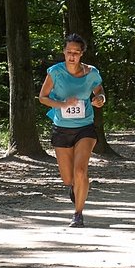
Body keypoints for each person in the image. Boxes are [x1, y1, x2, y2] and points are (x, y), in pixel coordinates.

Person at [38, 34, 106, 228]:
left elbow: (99, 91)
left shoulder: (91, 73)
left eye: (76, 52)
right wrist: (61, 104)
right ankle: (75, 187)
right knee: (68, 178)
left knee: (80, 170)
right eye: (69, 52)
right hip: (61, 128)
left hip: (85, 127)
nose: (72, 56)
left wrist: (100, 99)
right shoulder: (55, 72)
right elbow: (42, 97)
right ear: (64, 52)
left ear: (81, 54)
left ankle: (78, 213)